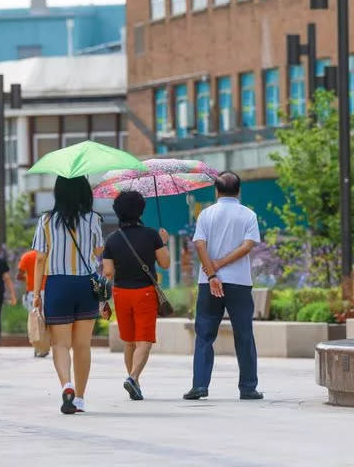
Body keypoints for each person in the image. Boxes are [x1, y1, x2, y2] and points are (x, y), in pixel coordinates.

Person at [184, 171, 263, 401]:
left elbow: (199, 246)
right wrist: (221, 264)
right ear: (239, 190)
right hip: (239, 282)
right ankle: (248, 387)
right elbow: (248, 246)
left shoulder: (206, 214)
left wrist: (212, 274)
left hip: (208, 283)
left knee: (204, 335)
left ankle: (199, 386)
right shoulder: (249, 215)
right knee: (244, 334)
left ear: (216, 190)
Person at [31, 175, 105, 414]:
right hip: (85, 285)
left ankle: (67, 385)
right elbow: (98, 251)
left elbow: (40, 258)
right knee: (83, 345)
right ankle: (81, 398)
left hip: (57, 285)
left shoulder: (46, 220)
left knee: (60, 344)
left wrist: (36, 294)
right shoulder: (94, 218)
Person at [102, 191, 170, 401]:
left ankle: (135, 382)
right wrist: (163, 241)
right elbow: (165, 264)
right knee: (145, 341)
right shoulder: (151, 235)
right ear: (141, 210)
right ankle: (132, 377)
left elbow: (108, 272)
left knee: (129, 342)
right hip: (145, 293)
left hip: (121, 293)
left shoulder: (112, 239)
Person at [17, 249, 50, 358]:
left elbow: (19, 276)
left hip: (32, 292)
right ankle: (46, 346)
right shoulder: (49, 255)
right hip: (49, 291)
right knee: (47, 319)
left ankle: (37, 347)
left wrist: (30, 278)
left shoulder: (26, 256)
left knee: (35, 321)